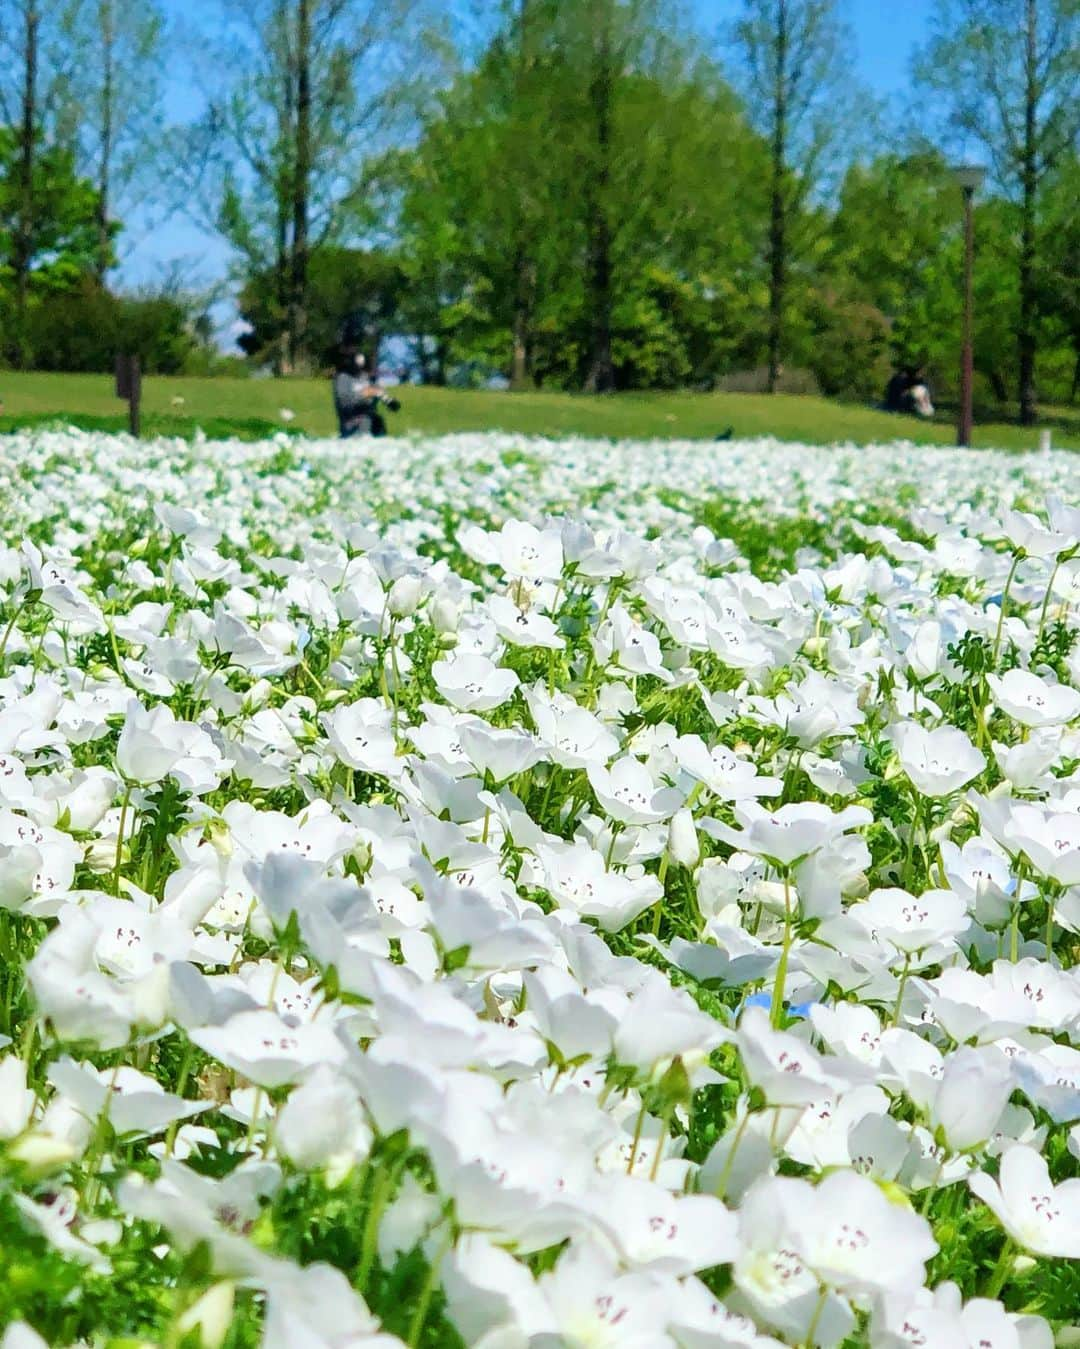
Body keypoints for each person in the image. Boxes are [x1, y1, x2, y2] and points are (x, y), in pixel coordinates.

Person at [331, 346, 401, 438]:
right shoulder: (342, 379)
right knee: (365, 421)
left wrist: (389, 401)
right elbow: (344, 403)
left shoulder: (365, 378)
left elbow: (378, 391)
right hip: (351, 421)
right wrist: (364, 394)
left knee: (377, 421)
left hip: (371, 419)